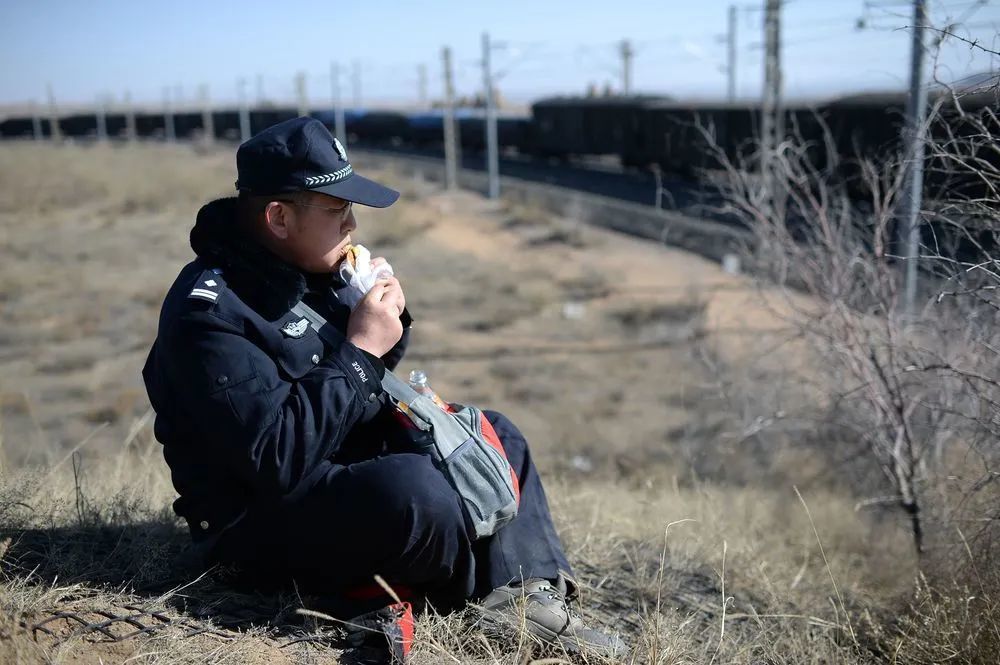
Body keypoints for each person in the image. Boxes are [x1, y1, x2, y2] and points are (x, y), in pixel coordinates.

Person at [142, 116, 625, 658]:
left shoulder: (302, 267)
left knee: (492, 435)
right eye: (336, 210)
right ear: (278, 217)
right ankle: (468, 595)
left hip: (330, 469)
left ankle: (527, 593)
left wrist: (376, 316)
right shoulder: (209, 314)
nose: (351, 224)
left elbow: (358, 393)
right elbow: (275, 457)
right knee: (414, 491)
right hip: (253, 523)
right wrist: (361, 347)